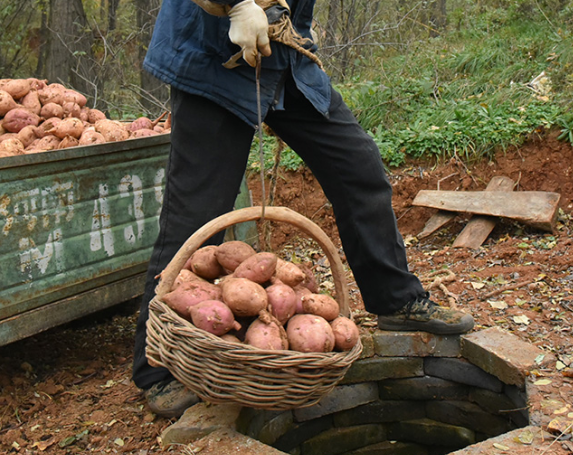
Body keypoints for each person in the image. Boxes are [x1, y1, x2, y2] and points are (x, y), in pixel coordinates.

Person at [131, 0, 475, 418]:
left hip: (285, 57)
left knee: (358, 167)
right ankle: (159, 367)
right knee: (198, 215)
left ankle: (396, 300)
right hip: (213, 60)